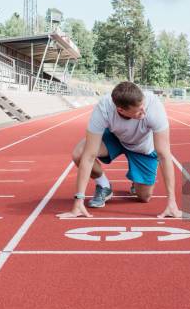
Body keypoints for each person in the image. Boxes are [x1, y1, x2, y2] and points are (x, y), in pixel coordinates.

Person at [58, 81, 181, 218]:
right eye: (138, 110)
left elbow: (164, 155)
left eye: (143, 106)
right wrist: (78, 201)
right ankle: (104, 186)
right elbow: (89, 156)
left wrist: (172, 202)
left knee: (144, 197)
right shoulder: (104, 108)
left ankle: (137, 182)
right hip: (116, 138)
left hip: (143, 147)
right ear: (120, 110)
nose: (144, 111)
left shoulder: (153, 107)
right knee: (79, 153)